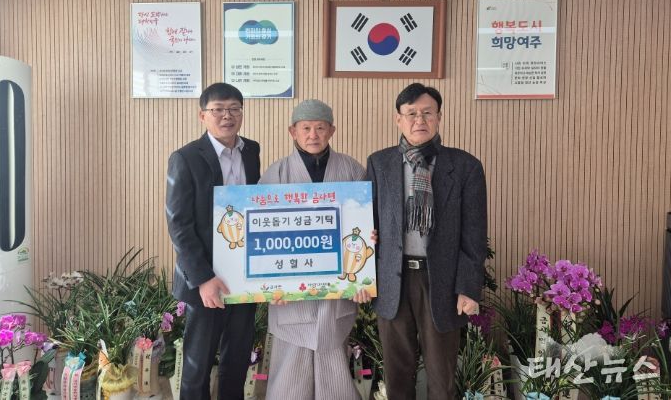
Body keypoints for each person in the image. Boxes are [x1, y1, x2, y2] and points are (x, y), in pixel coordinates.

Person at [366, 83, 487, 400]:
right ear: (398, 119)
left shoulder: (465, 166)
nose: (419, 120)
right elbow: (367, 223)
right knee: (397, 374)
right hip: (393, 280)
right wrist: (365, 259)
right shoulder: (379, 163)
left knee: (441, 375)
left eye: (427, 113)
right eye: (411, 113)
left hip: (442, 282)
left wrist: (468, 287)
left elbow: (474, 234)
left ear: (439, 117)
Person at [260, 99, 372, 400]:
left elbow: (368, 224)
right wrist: (267, 285)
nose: (313, 135)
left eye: (320, 128)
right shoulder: (277, 173)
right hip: (290, 295)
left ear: (331, 131)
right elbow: (260, 234)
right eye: (306, 128)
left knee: (334, 366)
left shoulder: (351, 169)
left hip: (337, 293)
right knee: (290, 373)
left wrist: (366, 270)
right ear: (292, 132)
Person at [165, 82, 261, 400]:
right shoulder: (185, 158)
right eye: (218, 110)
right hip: (204, 278)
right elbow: (179, 225)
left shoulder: (252, 152)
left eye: (234, 109)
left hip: (242, 276)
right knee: (198, 364)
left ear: (242, 113)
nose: (226, 116)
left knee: (237, 360)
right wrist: (203, 278)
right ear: (202, 115)